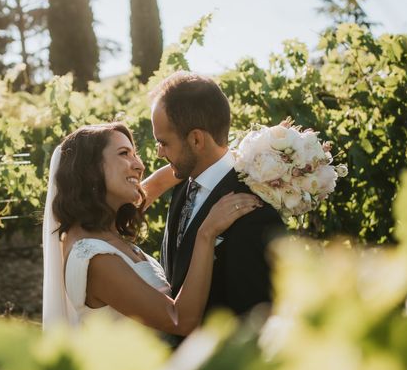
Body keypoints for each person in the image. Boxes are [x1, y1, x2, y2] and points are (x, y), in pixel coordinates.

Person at [42, 122, 261, 335]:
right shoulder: (94, 257)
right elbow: (180, 320)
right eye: (124, 154)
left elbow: (158, 183)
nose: (139, 165)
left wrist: (254, 154)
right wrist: (206, 233)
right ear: (90, 169)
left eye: (134, 154)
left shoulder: (104, 226)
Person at [151, 71, 285, 339]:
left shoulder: (252, 209)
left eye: (164, 142)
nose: (159, 152)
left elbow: (252, 323)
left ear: (196, 139)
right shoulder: (181, 184)